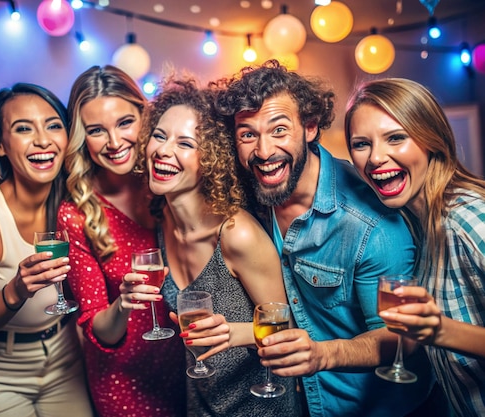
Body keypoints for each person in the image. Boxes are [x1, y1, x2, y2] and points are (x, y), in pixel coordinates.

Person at [213, 60, 436, 417]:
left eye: (279, 130)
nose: (264, 150)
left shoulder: (372, 226)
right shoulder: (255, 194)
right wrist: (231, 332)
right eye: (247, 134)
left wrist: (323, 354)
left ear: (311, 127)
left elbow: (400, 337)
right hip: (307, 404)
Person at [134, 74, 305, 416]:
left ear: (212, 159)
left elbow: (290, 327)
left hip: (261, 406)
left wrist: (233, 332)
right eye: (159, 136)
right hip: (200, 404)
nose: (164, 150)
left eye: (185, 143)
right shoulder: (160, 221)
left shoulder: (235, 233)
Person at [0, 83, 93, 417]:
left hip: (64, 359)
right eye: (23, 128)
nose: (43, 140)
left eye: (53, 125)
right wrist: (16, 290)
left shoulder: (74, 199)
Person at [345, 77, 485, 417]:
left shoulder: (469, 217)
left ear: (431, 140)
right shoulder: (415, 226)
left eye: (396, 137)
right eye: (361, 144)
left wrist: (440, 330)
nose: (376, 157)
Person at [56, 65, 186, 417]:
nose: (114, 143)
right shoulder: (77, 213)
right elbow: (99, 329)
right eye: (97, 131)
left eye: (124, 123)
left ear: (146, 118)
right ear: (83, 138)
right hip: (124, 382)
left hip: (190, 367)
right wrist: (124, 304)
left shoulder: (169, 180)